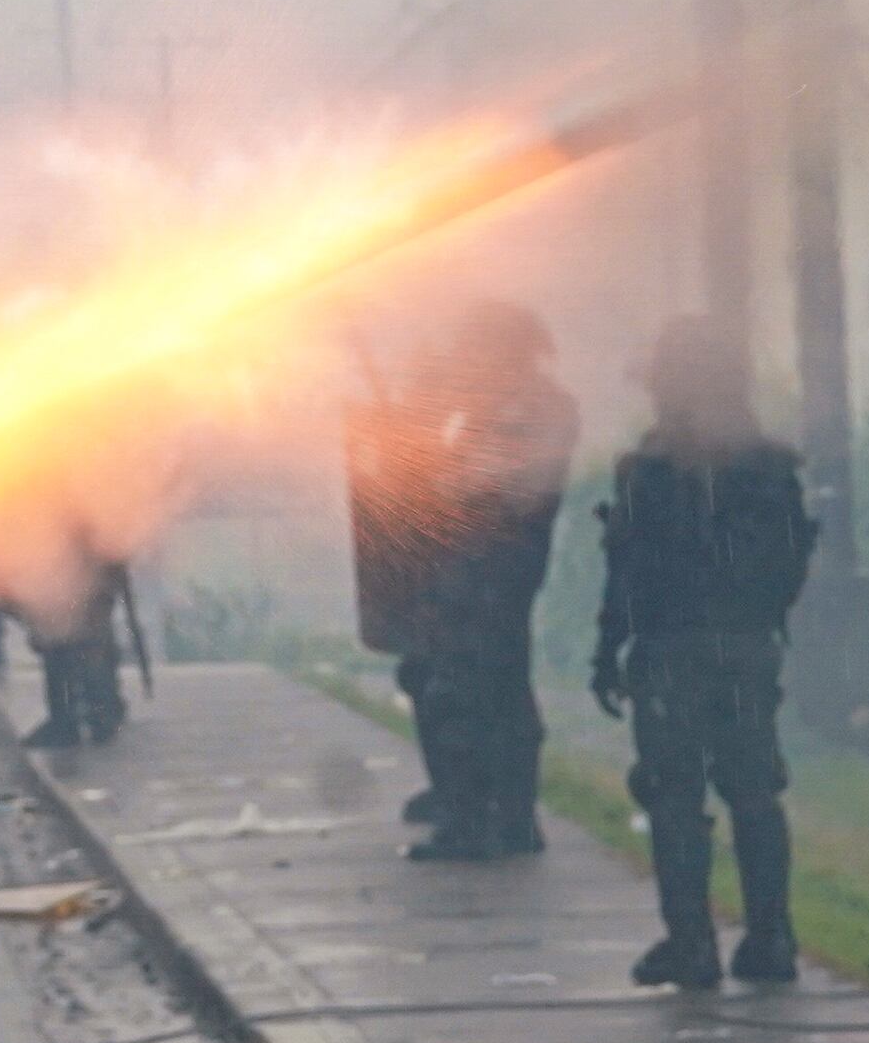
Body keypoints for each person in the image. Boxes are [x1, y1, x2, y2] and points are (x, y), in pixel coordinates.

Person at [589, 315, 816, 991]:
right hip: (747, 649)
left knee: (675, 796)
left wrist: (608, 650)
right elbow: (791, 565)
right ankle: (771, 938)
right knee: (754, 790)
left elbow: (626, 573)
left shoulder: (652, 470)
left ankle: (691, 943)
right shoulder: (771, 467)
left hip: (672, 653)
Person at [349, 304, 574, 861]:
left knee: (467, 689)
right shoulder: (493, 406)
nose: (467, 362)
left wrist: (419, 472)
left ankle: (484, 817)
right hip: (472, 566)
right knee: (453, 679)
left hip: (492, 567)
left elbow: (483, 484)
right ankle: (473, 802)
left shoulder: (532, 409)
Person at [27, 554, 138, 749]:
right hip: (86, 562)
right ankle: (100, 711)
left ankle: (75, 720)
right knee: (83, 637)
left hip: (74, 563)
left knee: (65, 637)